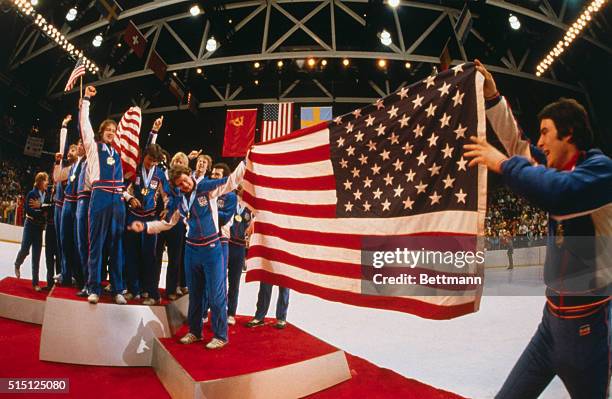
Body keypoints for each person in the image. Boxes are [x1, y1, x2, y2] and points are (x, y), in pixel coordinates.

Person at [464, 60, 612, 398]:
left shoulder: (601, 172)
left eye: (545, 132)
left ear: (568, 133)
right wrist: (492, 97)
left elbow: (558, 193)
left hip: (587, 329)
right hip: (550, 326)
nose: (540, 142)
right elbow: (518, 146)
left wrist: (501, 163)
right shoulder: (557, 168)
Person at [129, 160, 246, 349]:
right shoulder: (179, 201)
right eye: (179, 184)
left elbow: (231, 181)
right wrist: (145, 226)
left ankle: (220, 335)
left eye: (185, 180)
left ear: (190, 175)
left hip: (211, 250)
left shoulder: (207, 189)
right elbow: (168, 224)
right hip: (191, 250)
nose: (184, 185)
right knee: (195, 294)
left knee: (216, 296)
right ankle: (194, 331)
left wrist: (245, 162)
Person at [79, 86, 127, 305]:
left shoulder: (116, 153)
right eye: (108, 129)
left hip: (117, 199)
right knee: (96, 243)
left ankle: (117, 288)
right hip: (99, 196)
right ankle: (94, 287)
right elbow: (84, 124)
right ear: (101, 131)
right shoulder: (92, 146)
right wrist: (87, 99)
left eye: (114, 130)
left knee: (116, 244)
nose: (111, 132)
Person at [123, 117, 169, 305]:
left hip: (150, 219)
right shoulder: (133, 169)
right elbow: (122, 188)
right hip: (134, 217)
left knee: (149, 257)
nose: (151, 163)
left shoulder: (159, 174)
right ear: (144, 156)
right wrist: (130, 198)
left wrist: (167, 207)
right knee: (131, 253)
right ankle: (133, 289)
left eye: (155, 161)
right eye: (150, 159)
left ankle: (150, 292)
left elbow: (167, 194)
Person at [14, 172, 50, 291]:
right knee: (25, 249)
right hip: (30, 225)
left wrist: (40, 208)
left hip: (39, 228)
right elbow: (30, 211)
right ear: (39, 181)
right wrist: (42, 209)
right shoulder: (31, 193)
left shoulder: (47, 195)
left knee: (36, 256)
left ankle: (35, 283)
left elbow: (48, 212)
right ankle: (17, 263)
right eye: (45, 180)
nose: (47, 182)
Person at [227, 185, 252, 325]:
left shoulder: (251, 207)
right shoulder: (229, 199)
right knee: (217, 280)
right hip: (225, 243)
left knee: (234, 283)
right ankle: (208, 309)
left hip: (239, 247)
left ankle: (231, 313)